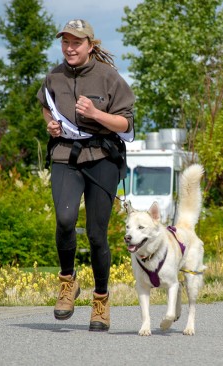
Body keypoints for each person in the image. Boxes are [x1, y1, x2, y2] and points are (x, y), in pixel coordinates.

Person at [36, 19, 135, 331]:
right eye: (65, 42)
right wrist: (50, 125)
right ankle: (68, 282)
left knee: (96, 235)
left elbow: (126, 125)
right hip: (66, 155)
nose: (69, 48)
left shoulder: (109, 77)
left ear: (90, 45)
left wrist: (95, 114)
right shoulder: (54, 76)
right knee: (64, 219)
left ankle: (101, 301)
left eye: (76, 43)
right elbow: (46, 106)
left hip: (102, 157)